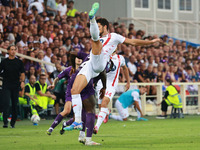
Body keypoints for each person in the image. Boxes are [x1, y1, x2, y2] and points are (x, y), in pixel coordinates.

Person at [68, 2, 161, 130]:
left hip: (101, 62)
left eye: (99, 27)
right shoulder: (101, 41)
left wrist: (150, 42)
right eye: (97, 26)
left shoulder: (114, 37)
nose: (99, 29)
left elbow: (133, 42)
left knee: (95, 41)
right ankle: (77, 121)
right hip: (91, 64)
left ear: (105, 27)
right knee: (74, 90)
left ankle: (92, 18)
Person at [47, 51, 106, 145]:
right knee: (72, 111)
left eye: (80, 58)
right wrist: (53, 84)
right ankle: (52, 128)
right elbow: (58, 77)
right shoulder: (71, 69)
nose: (79, 59)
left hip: (84, 91)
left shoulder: (89, 65)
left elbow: (100, 75)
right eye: (77, 58)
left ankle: (78, 132)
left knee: (83, 114)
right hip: (72, 93)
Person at [94, 51, 130, 133]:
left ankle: (96, 127)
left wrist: (128, 82)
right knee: (101, 107)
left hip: (111, 85)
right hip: (100, 84)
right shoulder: (103, 55)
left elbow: (125, 68)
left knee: (104, 104)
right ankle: (106, 111)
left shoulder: (120, 58)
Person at [0, 45, 25, 128]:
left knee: (15, 104)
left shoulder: (19, 62)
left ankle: (13, 123)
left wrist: (22, 81)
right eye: (12, 50)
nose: (13, 51)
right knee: (6, 103)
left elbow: (22, 73)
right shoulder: (4, 62)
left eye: (15, 49)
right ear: (8, 51)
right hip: (6, 85)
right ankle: (5, 122)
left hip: (15, 85)